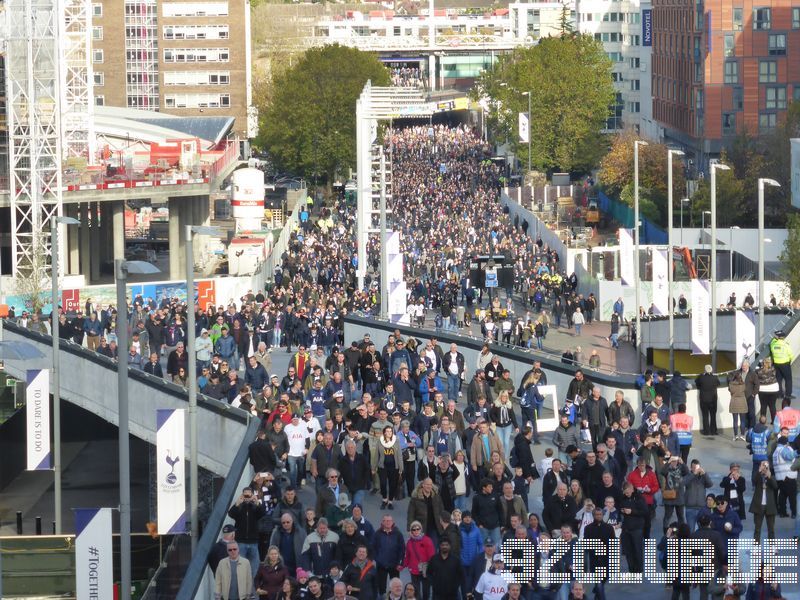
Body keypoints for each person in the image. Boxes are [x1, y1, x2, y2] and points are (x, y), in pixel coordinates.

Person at [227, 488, 266, 578]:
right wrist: (237, 503)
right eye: (245, 495)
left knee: (254, 566)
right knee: (240, 566)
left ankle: (250, 584)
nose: (247, 497)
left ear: (252, 495)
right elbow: (231, 514)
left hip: (253, 541)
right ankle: (242, 584)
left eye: (249, 495)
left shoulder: (255, 507)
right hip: (241, 541)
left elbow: (263, 513)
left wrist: (256, 502)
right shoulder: (240, 507)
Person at [373, 515, 405, 597]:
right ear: (382, 522)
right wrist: (377, 559)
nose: (387, 522)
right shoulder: (377, 534)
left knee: (395, 587)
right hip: (381, 565)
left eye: (389, 521)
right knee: (381, 588)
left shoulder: (398, 534)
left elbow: (402, 549)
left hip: (394, 565)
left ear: (392, 522)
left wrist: (400, 563)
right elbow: (373, 548)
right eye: (385, 521)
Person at [403, 520, 435, 600]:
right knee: (415, 591)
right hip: (413, 570)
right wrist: (402, 565)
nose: (416, 531)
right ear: (411, 531)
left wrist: (432, 568)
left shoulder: (427, 540)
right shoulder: (409, 542)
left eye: (418, 529)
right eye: (414, 529)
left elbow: (432, 556)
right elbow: (407, 556)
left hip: (425, 569)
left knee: (426, 590)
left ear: (421, 530)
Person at [750, 460, 779, 540]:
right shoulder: (758, 476)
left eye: (766, 466)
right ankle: (756, 547)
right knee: (757, 529)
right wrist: (759, 471)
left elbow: (775, 486)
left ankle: (772, 547)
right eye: (763, 465)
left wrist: (769, 476)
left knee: (771, 529)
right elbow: (754, 481)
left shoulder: (771, 476)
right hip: (758, 506)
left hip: (770, 506)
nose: (764, 468)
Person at [695, 365, 720, 436]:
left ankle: (706, 431)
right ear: (711, 370)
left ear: (705, 370)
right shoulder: (715, 377)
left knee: (705, 416)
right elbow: (718, 384)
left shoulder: (701, 377)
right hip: (713, 399)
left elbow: (696, 382)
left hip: (703, 399)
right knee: (713, 416)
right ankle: (713, 431)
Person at [769, 329, 793, 401]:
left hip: (776, 364)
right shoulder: (785, 345)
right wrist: (789, 361)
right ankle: (788, 395)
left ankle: (780, 394)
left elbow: (771, 343)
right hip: (785, 364)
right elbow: (791, 355)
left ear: (777, 337)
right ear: (783, 337)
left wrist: (774, 338)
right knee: (788, 379)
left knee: (778, 379)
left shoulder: (773, 344)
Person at [728, 372, 749, 441]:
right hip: (742, 402)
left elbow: (730, 390)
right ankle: (742, 435)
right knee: (742, 420)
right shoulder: (743, 384)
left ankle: (735, 435)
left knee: (735, 420)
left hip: (734, 402)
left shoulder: (731, 384)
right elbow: (745, 390)